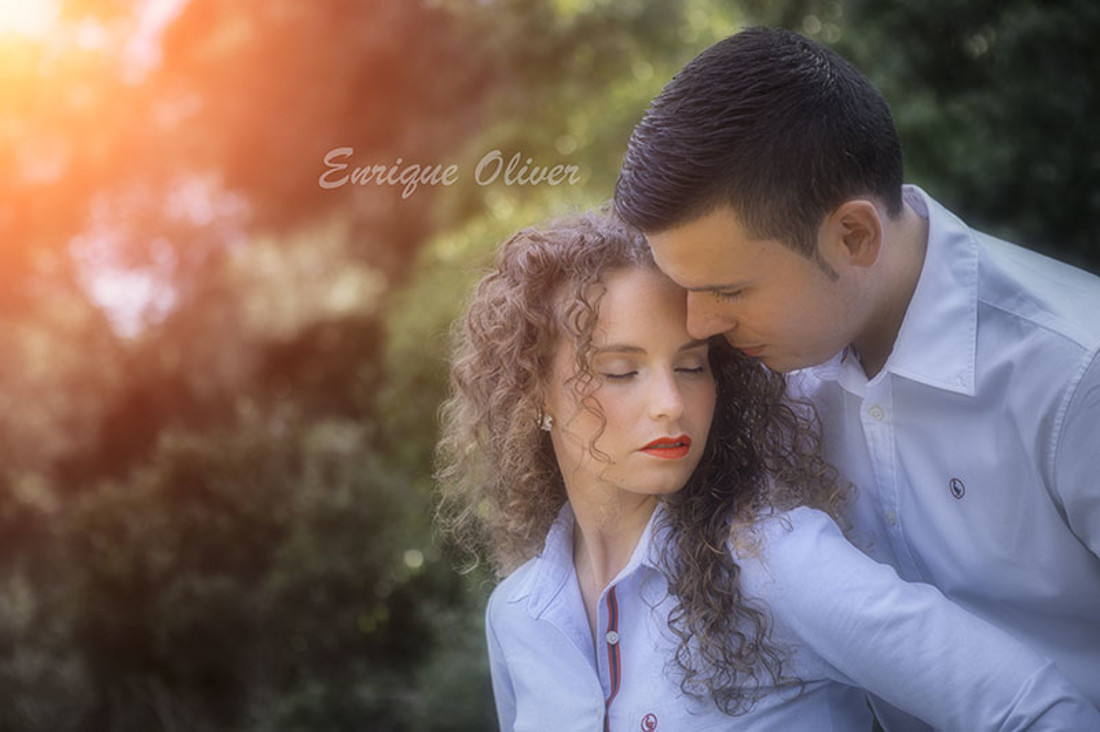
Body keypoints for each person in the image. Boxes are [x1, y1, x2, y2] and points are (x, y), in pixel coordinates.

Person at [434, 210, 1099, 731]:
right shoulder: (517, 616)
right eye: (619, 372)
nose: (671, 403)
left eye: (692, 365)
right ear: (534, 396)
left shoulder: (779, 561)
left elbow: (1035, 709)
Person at [613, 26, 1100, 730]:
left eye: (729, 289)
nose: (698, 324)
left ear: (854, 237)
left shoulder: (1074, 375)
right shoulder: (756, 375)